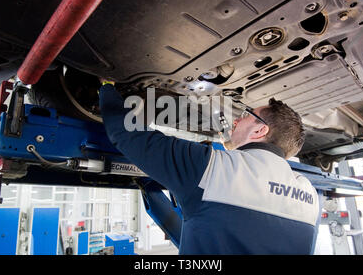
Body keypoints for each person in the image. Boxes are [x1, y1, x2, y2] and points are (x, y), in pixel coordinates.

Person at [98, 78, 320, 255]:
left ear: (260, 131)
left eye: (246, 116)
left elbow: (131, 136)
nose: (236, 120)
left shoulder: (215, 169)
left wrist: (107, 87)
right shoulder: (309, 196)